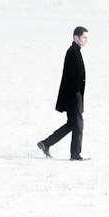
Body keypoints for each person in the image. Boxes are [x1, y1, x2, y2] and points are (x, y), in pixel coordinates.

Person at [38, 27, 88, 160]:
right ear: (75, 38)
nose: (86, 40)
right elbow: (70, 78)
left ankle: (45, 143)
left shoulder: (75, 51)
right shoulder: (72, 52)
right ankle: (75, 155)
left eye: (86, 38)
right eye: (84, 37)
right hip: (73, 96)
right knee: (78, 124)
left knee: (72, 124)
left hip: (74, 95)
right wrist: (74, 98)